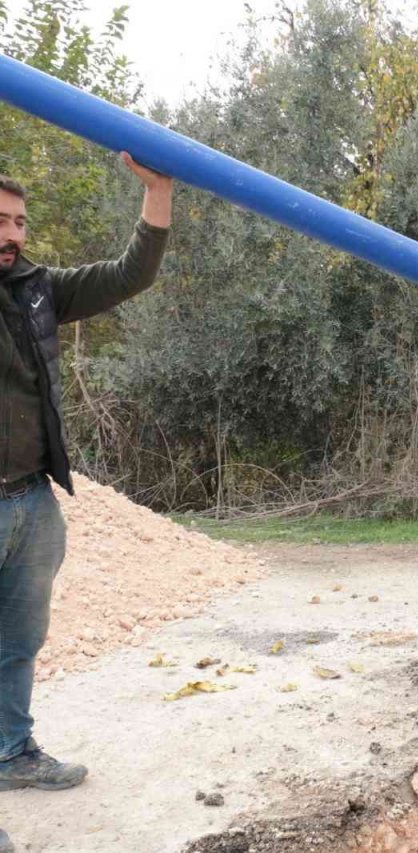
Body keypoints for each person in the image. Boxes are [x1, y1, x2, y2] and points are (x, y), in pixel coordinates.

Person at [0, 154, 172, 809]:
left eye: (19, 222)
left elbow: (130, 274)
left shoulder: (36, 289)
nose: (12, 234)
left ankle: (11, 752)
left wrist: (158, 192)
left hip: (30, 499)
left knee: (18, 643)